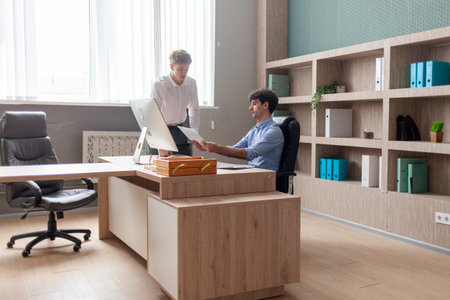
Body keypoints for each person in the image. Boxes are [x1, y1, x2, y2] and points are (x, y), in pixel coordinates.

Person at [192, 88, 284, 171]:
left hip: (265, 177)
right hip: (253, 172)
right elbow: (235, 149)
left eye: (254, 104)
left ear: (265, 105)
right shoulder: (254, 130)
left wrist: (217, 148)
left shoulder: (273, 132)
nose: (250, 108)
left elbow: (249, 153)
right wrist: (209, 147)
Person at [150, 49, 199, 156]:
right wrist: (159, 144)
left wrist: (194, 133)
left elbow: (194, 109)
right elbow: (153, 115)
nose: (184, 73)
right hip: (161, 131)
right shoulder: (159, 85)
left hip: (180, 131)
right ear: (172, 67)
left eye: (187, 69)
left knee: (185, 168)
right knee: (157, 169)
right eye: (180, 69)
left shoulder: (191, 83)